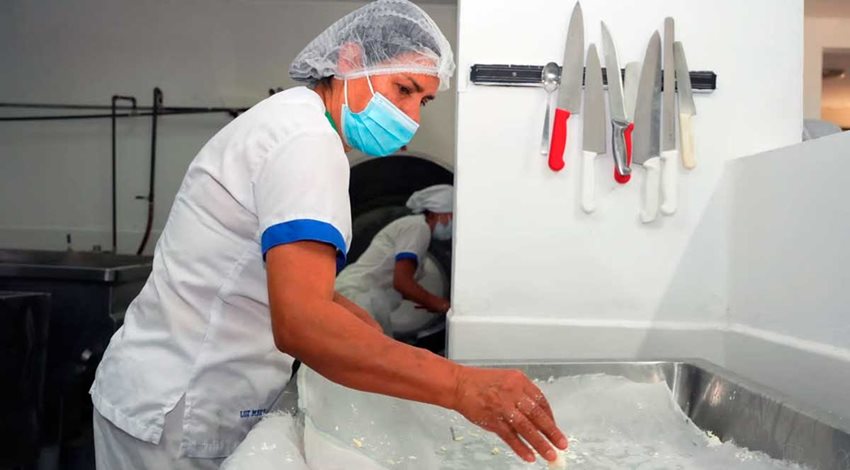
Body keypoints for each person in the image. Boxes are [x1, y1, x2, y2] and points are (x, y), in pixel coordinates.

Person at [89, 1, 567, 468]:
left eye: (422, 100)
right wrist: (462, 386)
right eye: (402, 89)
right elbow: (301, 324)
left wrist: (354, 320)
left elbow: (263, 274)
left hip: (165, 391)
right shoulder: (306, 142)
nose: (410, 118)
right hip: (184, 408)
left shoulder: (289, 119)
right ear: (349, 60)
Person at [336, 184, 453, 334]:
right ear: (439, 213)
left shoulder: (416, 229)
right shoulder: (418, 227)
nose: (452, 224)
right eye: (452, 217)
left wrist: (427, 301)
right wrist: (442, 305)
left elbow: (396, 284)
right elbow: (402, 283)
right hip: (358, 296)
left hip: (365, 298)